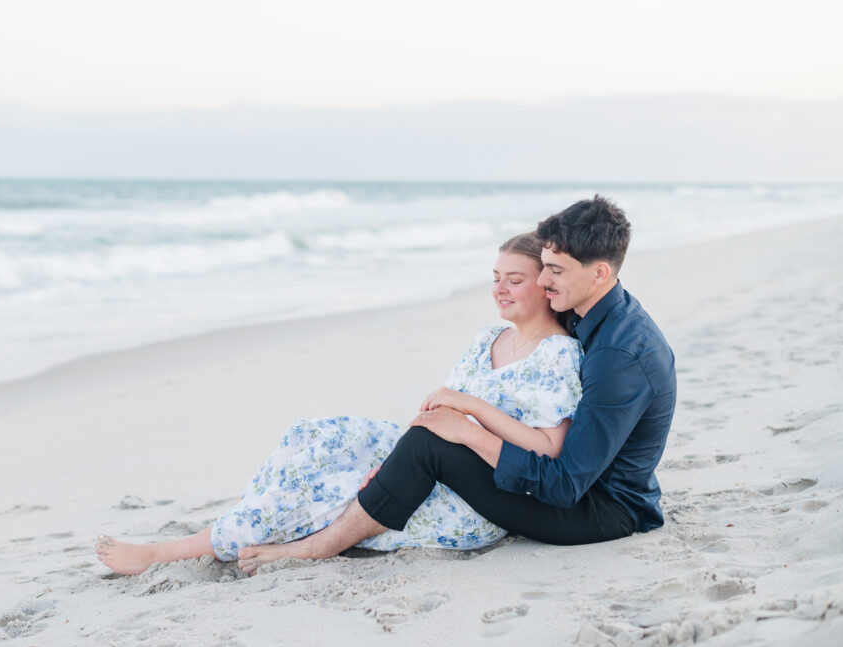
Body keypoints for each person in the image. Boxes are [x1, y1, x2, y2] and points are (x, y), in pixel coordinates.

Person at [96, 231, 583, 575]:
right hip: (429, 456)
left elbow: (549, 448)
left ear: (545, 285)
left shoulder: (557, 353)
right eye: (495, 275)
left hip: (472, 494)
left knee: (326, 487)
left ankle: (167, 552)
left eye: (514, 279)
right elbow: (439, 417)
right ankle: (246, 519)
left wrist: (469, 413)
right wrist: (395, 462)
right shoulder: (489, 337)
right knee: (318, 434)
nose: (499, 287)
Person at [235, 195, 676, 575]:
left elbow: (563, 485)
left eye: (554, 271)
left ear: (599, 273)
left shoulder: (621, 358)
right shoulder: (595, 312)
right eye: (542, 269)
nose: (542, 282)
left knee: (431, 446)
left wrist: (468, 429)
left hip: (600, 512)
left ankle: (317, 547)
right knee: (418, 439)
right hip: (581, 484)